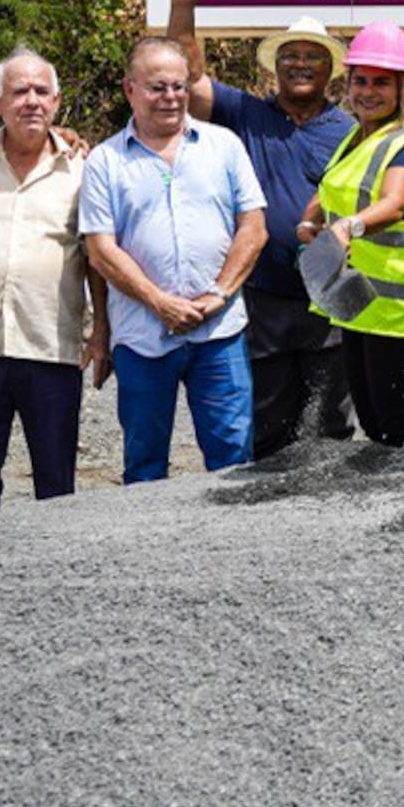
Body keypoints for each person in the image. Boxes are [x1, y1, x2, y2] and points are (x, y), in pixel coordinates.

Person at [165, 0, 357, 455]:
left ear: (330, 69)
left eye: (312, 56)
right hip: (263, 298)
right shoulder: (245, 114)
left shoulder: (351, 130)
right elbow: (187, 78)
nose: (300, 63)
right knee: (270, 424)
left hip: (330, 297)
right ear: (275, 66)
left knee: (331, 423)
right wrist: (184, 7)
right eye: (290, 55)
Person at [81, 38, 267, 482]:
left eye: (179, 87)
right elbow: (101, 250)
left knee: (233, 457)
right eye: (157, 87)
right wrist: (159, 301)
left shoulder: (224, 146)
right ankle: (148, 548)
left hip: (219, 331)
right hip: (144, 336)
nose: (170, 98)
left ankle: (230, 544)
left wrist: (219, 293)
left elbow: (253, 228)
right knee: (144, 461)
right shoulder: (105, 161)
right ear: (130, 89)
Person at [0, 48, 108, 521]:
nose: (31, 101)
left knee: (56, 484)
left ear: (57, 101)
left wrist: (101, 330)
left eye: (41, 91)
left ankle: (51, 578)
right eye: (19, 91)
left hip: (51, 347)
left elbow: (95, 256)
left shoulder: (82, 167)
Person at [299, 23, 404, 446]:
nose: (368, 91)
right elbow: (335, 184)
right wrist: (311, 220)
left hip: (402, 311)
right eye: (360, 81)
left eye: (381, 82)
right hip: (362, 302)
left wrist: (349, 226)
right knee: (370, 412)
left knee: (394, 416)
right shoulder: (358, 135)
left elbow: (394, 203)